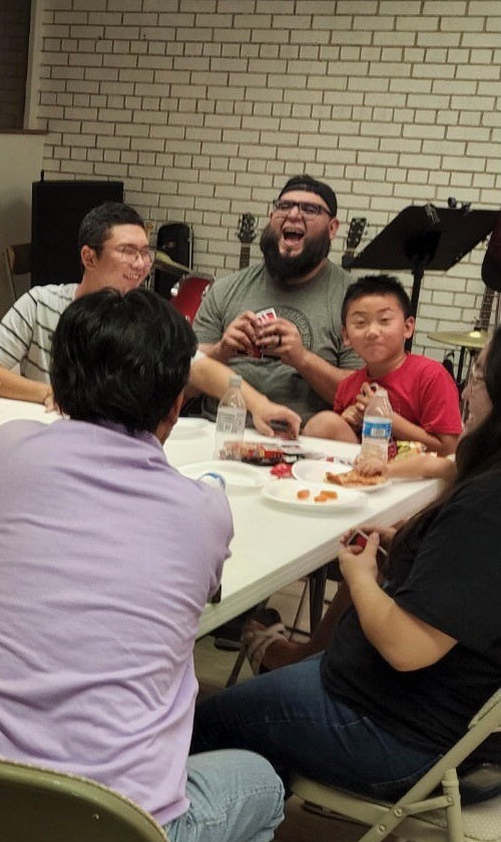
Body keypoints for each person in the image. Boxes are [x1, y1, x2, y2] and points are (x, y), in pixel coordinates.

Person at [0, 288, 285, 842]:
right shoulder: (203, 510)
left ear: (59, 384)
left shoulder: (3, 450)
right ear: (176, 405)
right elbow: (201, 600)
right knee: (262, 785)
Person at [193, 327, 501, 802]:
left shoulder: (486, 506)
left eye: (478, 376)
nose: (466, 390)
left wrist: (360, 576)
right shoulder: (485, 488)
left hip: (395, 735)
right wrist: (411, 548)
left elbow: (406, 647)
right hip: (395, 705)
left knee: (198, 725)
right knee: (249, 731)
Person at [0, 202, 302, 437]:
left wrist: (261, 405)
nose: (141, 263)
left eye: (145, 252)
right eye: (127, 251)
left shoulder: (147, 319)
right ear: (89, 257)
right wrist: (47, 393)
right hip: (47, 437)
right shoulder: (40, 303)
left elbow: (201, 368)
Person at [194, 175, 361, 424]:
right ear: (272, 217)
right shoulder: (225, 290)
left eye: (310, 209)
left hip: (306, 438)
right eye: (284, 206)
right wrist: (222, 350)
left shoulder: (355, 300)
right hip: (221, 430)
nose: (293, 215)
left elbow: (362, 399)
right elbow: (181, 381)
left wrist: (303, 359)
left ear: (332, 228)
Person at [303, 274, 462, 456]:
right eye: (360, 323)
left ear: (407, 327)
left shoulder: (431, 376)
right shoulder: (347, 387)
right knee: (324, 424)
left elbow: (449, 449)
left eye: (384, 320)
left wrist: (386, 418)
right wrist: (346, 422)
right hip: (363, 468)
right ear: (346, 336)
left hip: (414, 471)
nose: (372, 332)